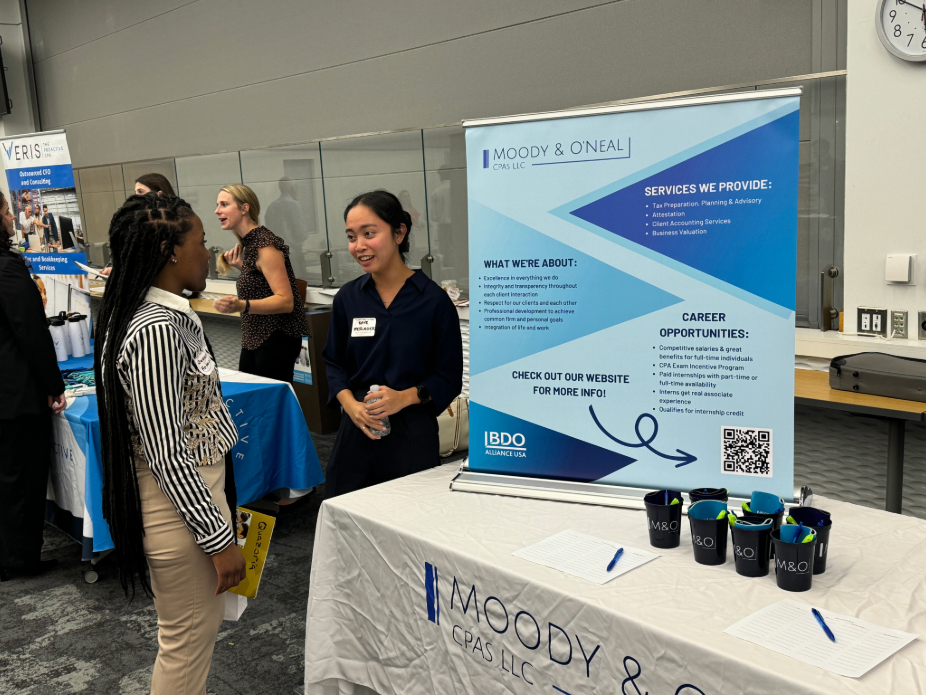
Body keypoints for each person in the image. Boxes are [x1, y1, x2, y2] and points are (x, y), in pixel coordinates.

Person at [95, 193, 245, 693]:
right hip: (180, 511)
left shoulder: (158, 313)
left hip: (191, 500)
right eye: (201, 242)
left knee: (189, 644)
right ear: (170, 250)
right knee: (185, 647)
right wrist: (218, 539)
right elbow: (166, 450)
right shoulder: (156, 329)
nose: (209, 252)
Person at [322, 190, 463, 497]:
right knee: (347, 518)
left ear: (400, 232)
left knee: (410, 521)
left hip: (412, 433)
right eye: (351, 236)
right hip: (357, 429)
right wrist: (351, 406)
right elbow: (333, 361)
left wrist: (404, 398)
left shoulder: (433, 302)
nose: (358, 246)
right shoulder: (349, 297)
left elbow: (448, 377)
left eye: (369, 234)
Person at [0, 190, 66, 581]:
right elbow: (32, 331)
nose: (12, 218)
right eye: (7, 211)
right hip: (14, 393)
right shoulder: (7, 269)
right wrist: (53, 383)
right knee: (20, 478)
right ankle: (19, 559)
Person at [213, 184, 308, 383]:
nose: (217, 210)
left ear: (244, 208)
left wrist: (241, 305)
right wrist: (243, 267)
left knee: (268, 406)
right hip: (256, 339)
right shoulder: (251, 243)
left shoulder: (265, 244)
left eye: (224, 204)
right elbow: (264, 282)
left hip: (275, 338)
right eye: (217, 205)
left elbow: (285, 301)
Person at [99, 173, 179, 277]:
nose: (136, 197)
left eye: (141, 192)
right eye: (135, 192)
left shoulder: (174, 222)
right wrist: (117, 272)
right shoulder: (141, 222)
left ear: (159, 194)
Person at [264, 177, 310, 278]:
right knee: (298, 282)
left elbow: (268, 230)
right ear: (292, 188)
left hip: (276, 252)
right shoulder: (293, 205)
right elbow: (301, 231)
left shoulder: (272, 206)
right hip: (293, 253)